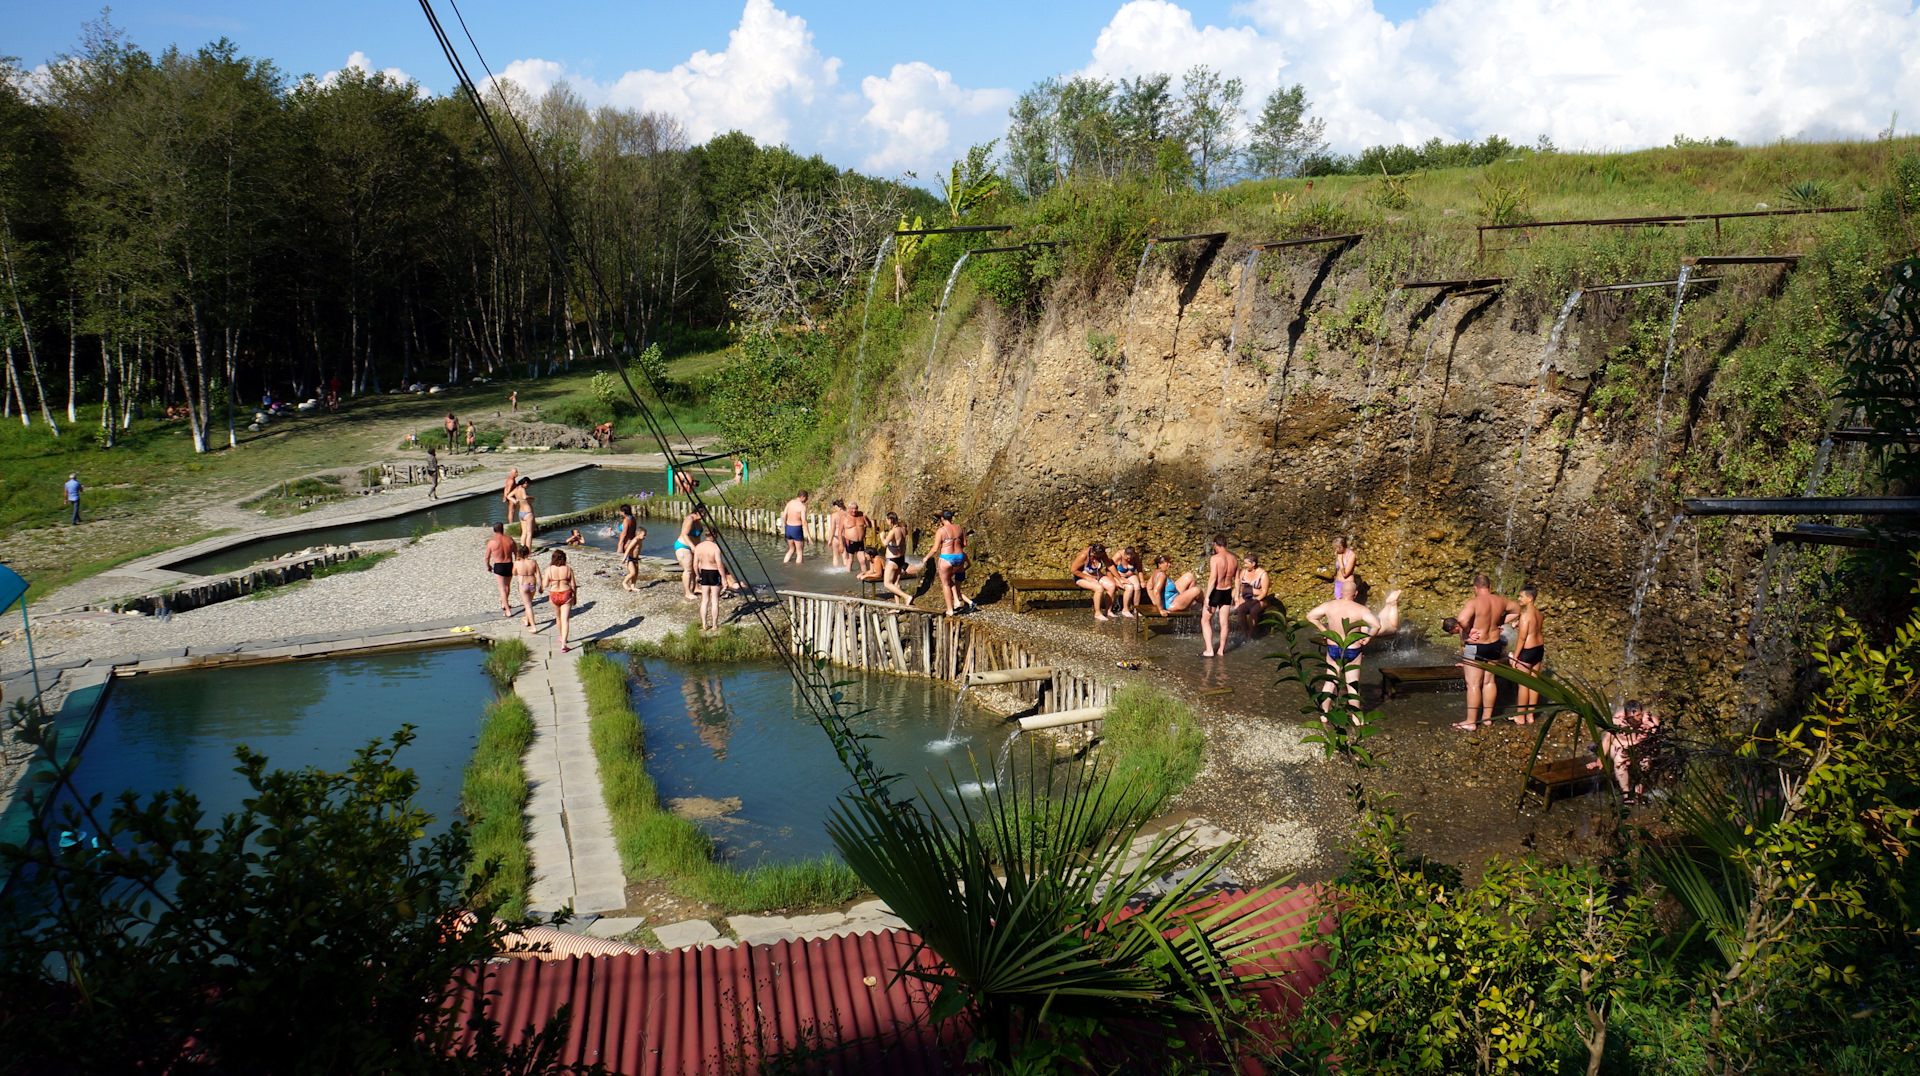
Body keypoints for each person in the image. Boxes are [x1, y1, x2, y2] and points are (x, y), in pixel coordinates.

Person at [1304, 588, 1404, 714]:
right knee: (1352, 686)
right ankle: (1356, 718)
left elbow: (1310, 616)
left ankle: (1324, 715)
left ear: (1340, 592)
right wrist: (1368, 638)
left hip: (1334, 647)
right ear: (1356, 594)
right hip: (1354, 644)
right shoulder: (1360, 609)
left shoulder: (1329, 605)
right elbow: (1376, 626)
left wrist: (1323, 630)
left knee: (1329, 683)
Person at [1448, 573, 1523, 730]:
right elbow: (1516, 609)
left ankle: (1470, 721)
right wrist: (1498, 622)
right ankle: (1487, 719)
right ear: (1490, 587)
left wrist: (1469, 631)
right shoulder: (1500, 600)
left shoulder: (1473, 602)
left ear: (1475, 588)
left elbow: (1461, 619)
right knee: (1489, 681)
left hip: (1477, 645)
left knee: (1474, 684)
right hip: (1494, 644)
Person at [1589, 701, 1662, 797]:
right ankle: (1626, 793)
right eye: (1632, 718)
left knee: (1646, 762)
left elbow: (1656, 742)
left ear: (1642, 711)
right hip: (1620, 748)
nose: (1636, 719)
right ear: (1625, 715)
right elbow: (1607, 740)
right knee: (1619, 760)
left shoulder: (1651, 722)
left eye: (1639, 715)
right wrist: (1600, 760)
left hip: (1641, 750)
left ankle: (1638, 790)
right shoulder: (1618, 720)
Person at [1509, 584, 1547, 724]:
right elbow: (1534, 627)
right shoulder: (1539, 614)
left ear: (1530, 599)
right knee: (1534, 683)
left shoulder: (1525, 616)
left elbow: (1522, 638)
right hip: (1539, 649)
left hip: (1527, 651)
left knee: (1524, 684)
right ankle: (1531, 716)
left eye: (1521, 596)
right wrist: (1518, 623)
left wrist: (1516, 657)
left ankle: (1520, 716)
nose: (1519, 599)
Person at [1200, 535, 1239, 657]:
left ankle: (1209, 650)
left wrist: (1207, 597)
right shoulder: (1234, 559)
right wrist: (1236, 596)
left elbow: (1213, 578)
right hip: (1227, 592)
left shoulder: (1215, 558)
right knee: (1224, 623)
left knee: (1205, 620)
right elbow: (1237, 579)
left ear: (1216, 544)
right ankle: (1221, 650)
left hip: (1216, 592)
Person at [865, 512, 916, 604]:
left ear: (890, 520)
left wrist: (882, 536)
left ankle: (907, 597)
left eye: (887, 520)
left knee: (887, 583)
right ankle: (898, 606)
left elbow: (885, 543)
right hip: (901, 558)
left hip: (893, 560)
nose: (886, 522)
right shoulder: (903, 529)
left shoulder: (893, 531)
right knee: (896, 584)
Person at [933, 509, 976, 616]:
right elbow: (965, 544)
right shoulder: (959, 528)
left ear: (942, 519)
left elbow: (935, 549)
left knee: (947, 584)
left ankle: (951, 609)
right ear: (951, 518)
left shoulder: (941, 530)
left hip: (947, 557)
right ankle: (957, 601)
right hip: (960, 558)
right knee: (953, 585)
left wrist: (926, 558)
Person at [1071, 543, 1120, 621]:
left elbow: (1109, 566)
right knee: (1099, 588)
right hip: (1081, 577)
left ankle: (1109, 610)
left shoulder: (1102, 553)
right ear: (1094, 553)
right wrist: (1087, 577)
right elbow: (1073, 570)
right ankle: (1098, 613)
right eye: (1100, 555)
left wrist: (1119, 579)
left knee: (1112, 586)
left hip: (1097, 575)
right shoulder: (1084, 556)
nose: (1102, 557)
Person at [543, 549, 578, 653]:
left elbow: (545, 584)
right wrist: (575, 596)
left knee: (558, 617)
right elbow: (573, 585)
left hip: (554, 594)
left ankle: (562, 636)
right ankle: (564, 643)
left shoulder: (549, 569)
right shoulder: (568, 569)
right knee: (565, 619)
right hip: (566, 593)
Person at [693, 531, 726, 631]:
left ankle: (704, 624)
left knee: (704, 600)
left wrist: (698, 575)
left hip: (704, 572)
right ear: (715, 535)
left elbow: (695, 564)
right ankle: (714, 625)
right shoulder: (715, 548)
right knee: (715, 600)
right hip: (714, 572)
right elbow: (719, 565)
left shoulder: (699, 547)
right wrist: (724, 578)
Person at [1234, 553, 1272, 638]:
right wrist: (1236, 598)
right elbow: (1238, 586)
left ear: (1253, 564)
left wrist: (1255, 600)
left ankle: (1250, 634)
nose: (1244, 565)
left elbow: (1264, 592)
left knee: (1253, 611)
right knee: (1240, 610)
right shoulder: (1244, 572)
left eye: (1246, 563)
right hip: (1246, 597)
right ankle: (1244, 632)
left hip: (1259, 599)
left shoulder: (1263, 574)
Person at [484, 523, 515, 616]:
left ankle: (508, 610)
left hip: (499, 565)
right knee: (507, 586)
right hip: (509, 563)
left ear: (494, 530)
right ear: (503, 529)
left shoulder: (491, 542)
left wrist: (488, 566)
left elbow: (486, 557)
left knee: (502, 588)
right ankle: (504, 603)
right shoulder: (510, 540)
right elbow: (517, 554)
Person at [675, 507, 705, 601]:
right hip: (683, 546)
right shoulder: (689, 520)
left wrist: (699, 548)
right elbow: (684, 534)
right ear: (697, 512)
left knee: (696, 567)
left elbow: (698, 537)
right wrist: (692, 546)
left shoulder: (698, 521)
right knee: (688, 569)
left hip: (694, 547)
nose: (704, 516)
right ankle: (687, 592)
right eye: (703, 514)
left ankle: (695, 587)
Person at [511, 543, 542, 631]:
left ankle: (533, 627)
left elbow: (514, 573)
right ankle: (527, 620)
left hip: (523, 583)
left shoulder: (517, 563)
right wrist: (541, 586)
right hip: (532, 583)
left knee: (528, 605)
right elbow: (538, 574)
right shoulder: (533, 562)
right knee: (528, 603)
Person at [616, 504, 645, 592]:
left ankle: (630, 584)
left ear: (623, 512)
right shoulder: (633, 519)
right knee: (633, 569)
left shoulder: (626, 520)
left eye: (621, 511)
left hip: (628, 541)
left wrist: (620, 544)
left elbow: (624, 533)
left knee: (633, 569)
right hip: (632, 539)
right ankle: (629, 583)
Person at [1112, 546, 1145, 618]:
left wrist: (1142, 581)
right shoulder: (1118, 555)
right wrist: (1119, 579)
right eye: (1127, 558)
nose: (1129, 560)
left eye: (1131, 558)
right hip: (1118, 576)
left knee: (1137, 587)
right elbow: (1109, 568)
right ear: (1124, 554)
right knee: (1130, 588)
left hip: (1130, 575)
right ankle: (1125, 609)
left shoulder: (1136, 555)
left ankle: (1136, 609)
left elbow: (1139, 568)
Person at [840, 502, 872, 575]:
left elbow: (869, 526)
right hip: (849, 541)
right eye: (852, 509)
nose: (854, 511)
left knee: (863, 560)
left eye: (855, 509)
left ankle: (865, 575)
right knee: (850, 560)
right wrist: (841, 544)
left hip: (860, 541)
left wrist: (866, 519)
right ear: (848, 509)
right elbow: (840, 532)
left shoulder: (861, 515)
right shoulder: (844, 517)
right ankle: (848, 576)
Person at [781, 491, 810, 564]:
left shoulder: (790, 503)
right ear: (802, 497)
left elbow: (784, 516)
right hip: (796, 528)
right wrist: (809, 536)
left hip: (788, 528)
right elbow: (804, 521)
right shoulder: (802, 507)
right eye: (806, 497)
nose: (807, 499)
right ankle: (798, 570)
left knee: (791, 549)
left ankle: (784, 564)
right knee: (799, 552)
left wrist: (786, 524)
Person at [508, 477, 536, 546]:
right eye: (528, 484)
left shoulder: (516, 489)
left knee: (523, 533)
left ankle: (522, 549)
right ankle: (529, 551)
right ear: (525, 483)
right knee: (529, 533)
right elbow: (524, 497)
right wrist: (532, 497)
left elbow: (509, 496)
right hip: (528, 513)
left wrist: (515, 501)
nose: (528, 486)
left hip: (521, 513)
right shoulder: (522, 489)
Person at [826, 500, 848, 568]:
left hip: (836, 536)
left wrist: (830, 540)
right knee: (845, 556)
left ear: (836, 506)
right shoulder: (847, 514)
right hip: (845, 536)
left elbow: (833, 528)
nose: (834, 508)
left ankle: (835, 569)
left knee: (835, 555)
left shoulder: (834, 515)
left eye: (834, 507)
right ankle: (847, 569)